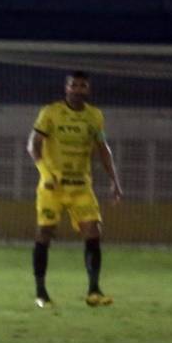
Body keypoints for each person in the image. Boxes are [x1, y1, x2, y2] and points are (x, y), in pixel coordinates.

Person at [27, 71, 122, 309]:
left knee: (94, 232)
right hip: (53, 187)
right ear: (66, 88)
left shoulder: (94, 116)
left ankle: (94, 291)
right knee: (44, 233)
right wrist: (46, 173)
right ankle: (41, 293)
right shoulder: (50, 113)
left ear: (88, 90)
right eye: (73, 85)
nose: (78, 89)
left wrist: (115, 181)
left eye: (82, 86)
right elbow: (33, 145)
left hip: (81, 186)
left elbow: (103, 149)